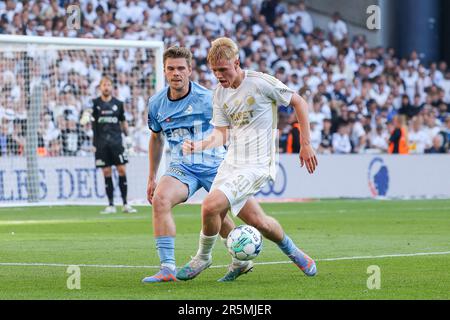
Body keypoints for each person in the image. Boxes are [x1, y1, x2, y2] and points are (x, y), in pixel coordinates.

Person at [176, 37, 318, 281]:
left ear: (237, 63)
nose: (219, 75)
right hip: (231, 163)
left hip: (256, 165)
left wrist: (305, 144)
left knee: (210, 206)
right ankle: (292, 252)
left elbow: (299, 102)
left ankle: (203, 257)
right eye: (214, 71)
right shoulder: (219, 94)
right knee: (258, 222)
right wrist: (200, 145)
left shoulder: (260, 82)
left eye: (223, 69)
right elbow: (221, 134)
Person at [142, 46, 267, 283]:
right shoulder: (156, 103)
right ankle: (167, 268)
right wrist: (151, 176)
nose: (176, 73)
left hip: (216, 165)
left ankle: (242, 261)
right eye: (171, 68)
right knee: (160, 199)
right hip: (183, 167)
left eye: (181, 68)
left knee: (238, 217)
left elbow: (232, 129)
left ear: (190, 70)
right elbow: (156, 137)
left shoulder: (209, 98)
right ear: (164, 71)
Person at [81, 76, 137, 214]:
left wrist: (128, 138)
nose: (106, 87)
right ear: (100, 87)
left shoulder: (118, 104)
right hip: (101, 144)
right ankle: (111, 204)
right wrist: (86, 115)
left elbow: (123, 122)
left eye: (108, 85)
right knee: (106, 172)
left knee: (122, 170)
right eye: (104, 85)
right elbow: (87, 111)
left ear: (111, 87)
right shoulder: (94, 103)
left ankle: (125, 204)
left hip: (117, 142)